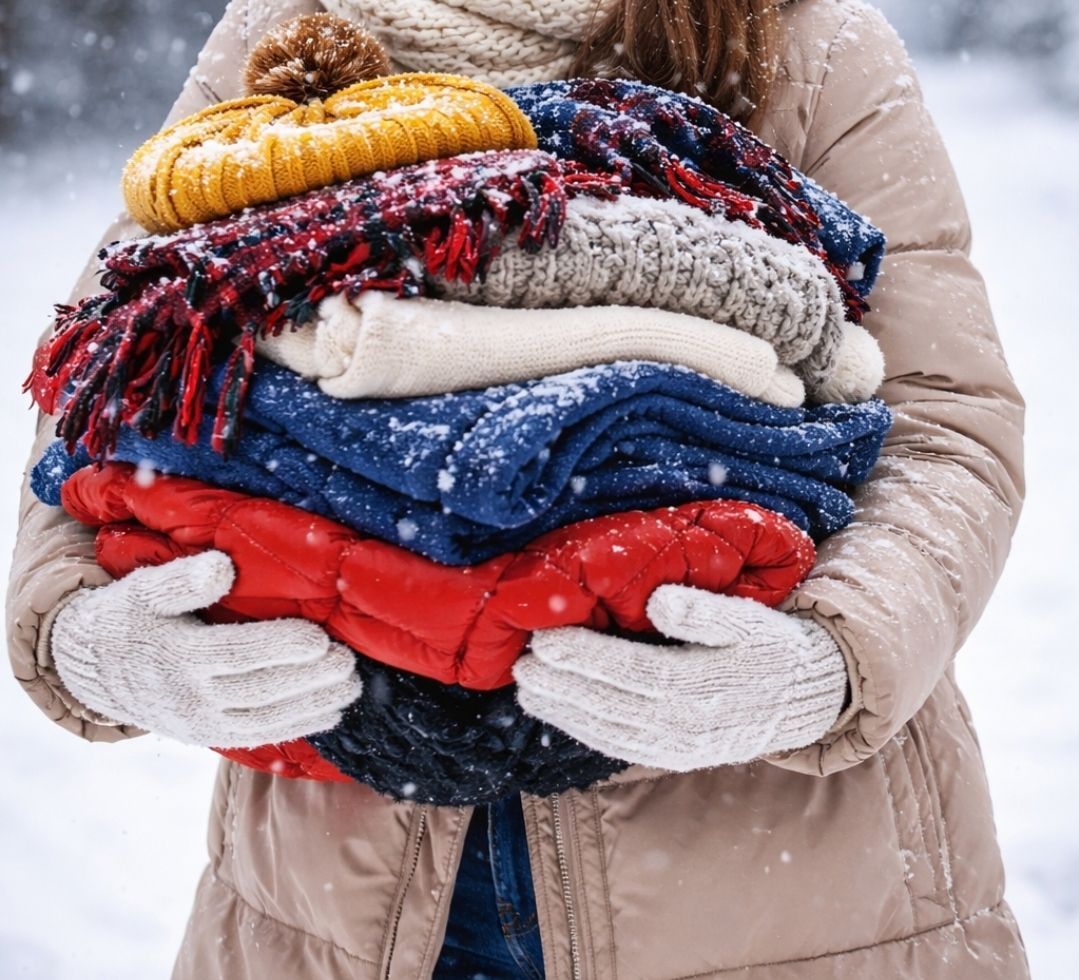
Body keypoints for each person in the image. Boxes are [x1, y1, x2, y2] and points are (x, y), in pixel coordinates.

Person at [6, 0, 1029, 976]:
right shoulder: (287, 35)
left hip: (784, 889)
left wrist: (825, 660)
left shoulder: (809, 46)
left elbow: (948, 422)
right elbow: (116, 362)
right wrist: (82, 633)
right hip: (336, 903)